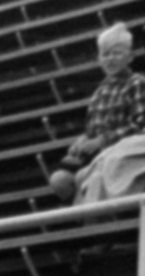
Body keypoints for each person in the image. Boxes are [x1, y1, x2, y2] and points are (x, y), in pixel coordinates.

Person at [49, 24, 145, 203]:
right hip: (94, 155)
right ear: (99, 59)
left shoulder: (137, 83)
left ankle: (93, 222)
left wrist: (103, 140)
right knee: (59, 180)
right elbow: (93, 129)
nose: (110, 59)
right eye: (105, 54)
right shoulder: (100, 91)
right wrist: (83, 139)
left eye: (117, 53)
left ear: (130, 57)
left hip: (121, 152)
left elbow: (141, 125)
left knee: (83, 178)